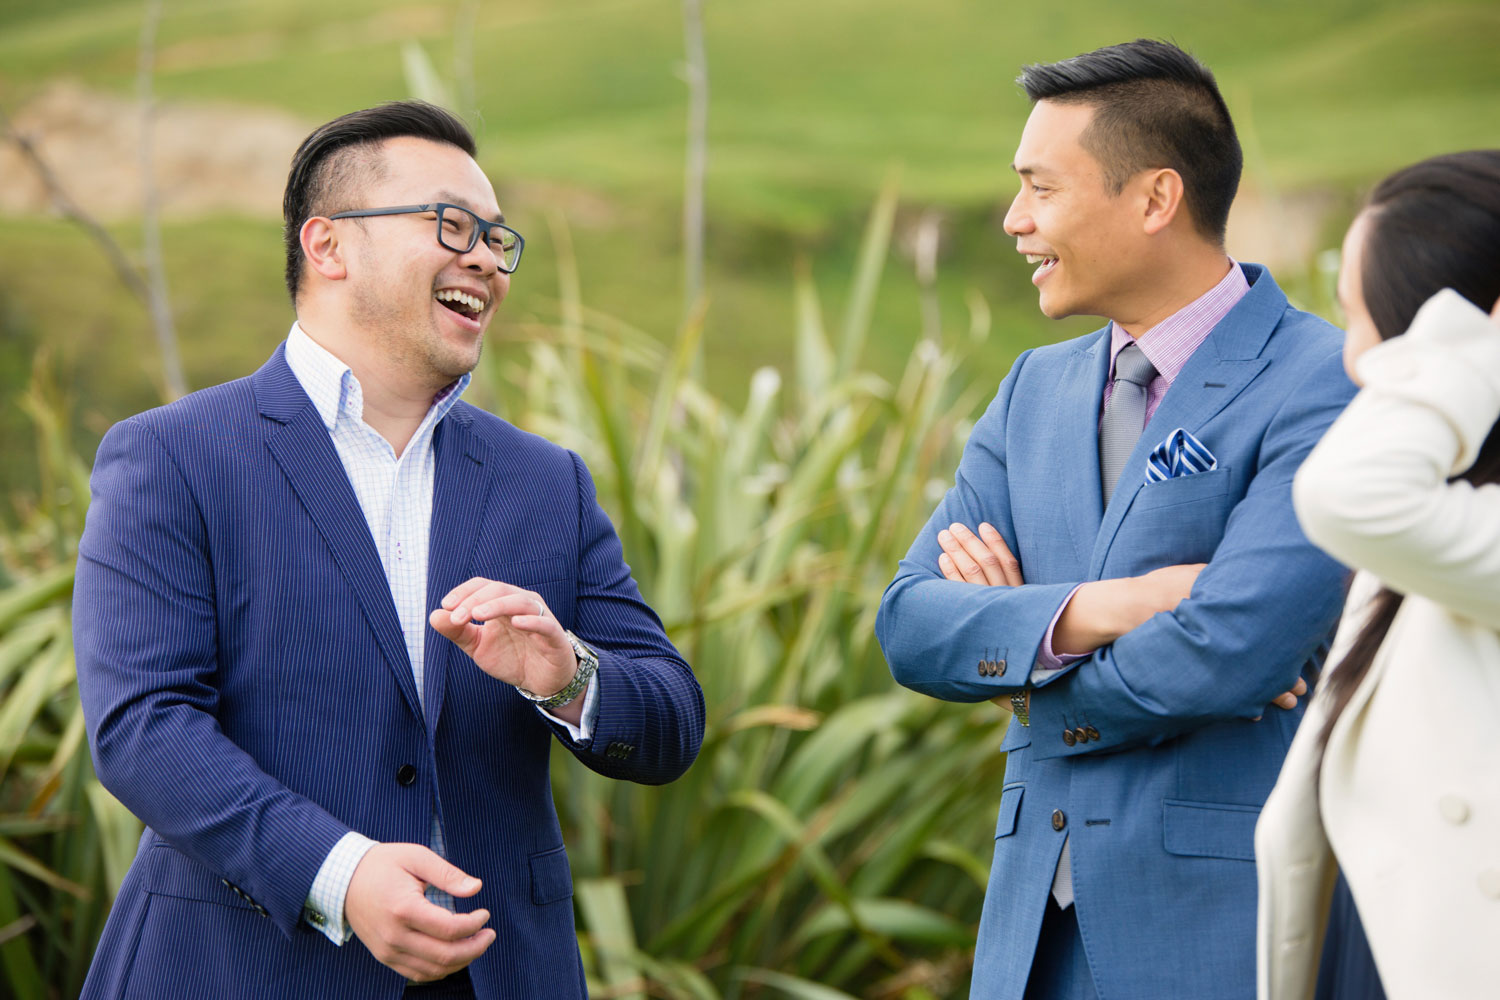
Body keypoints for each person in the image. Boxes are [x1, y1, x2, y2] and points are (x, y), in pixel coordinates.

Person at [74, 101, 705, 1000]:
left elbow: (671, 717)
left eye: (496, 236)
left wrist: (566, 673)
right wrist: (340, 872)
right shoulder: (173, 454)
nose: (485, 257)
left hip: (501, 974)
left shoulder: (545, 482)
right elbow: (142, 726)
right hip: (243, 968)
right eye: (452, 224)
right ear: (327, 245)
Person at [876, 40, 1357, 999]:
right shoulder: (1032, 389)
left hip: (1218, 934)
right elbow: (910, 623)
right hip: (1028, 948)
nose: (1015, 221)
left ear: (1154, 199)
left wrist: (1023, 671)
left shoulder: (1324, 382)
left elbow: (1231, 651)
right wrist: (1108, 607)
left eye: (1040, 189)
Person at [1256, 150, 1500, 1000]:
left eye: (1361, 321)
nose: (1354, 360)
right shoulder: (1433, 536)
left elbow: (1346, 493)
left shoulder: (1422, 516)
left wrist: (1476, 343)